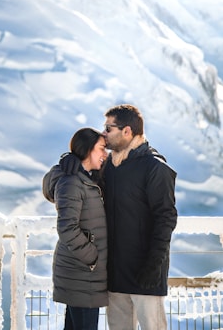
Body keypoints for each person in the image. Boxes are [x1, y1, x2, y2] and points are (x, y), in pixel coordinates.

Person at [60, 104, 177, 330]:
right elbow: (76, 186)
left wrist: (154, 263)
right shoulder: (109, 168)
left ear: (127, 131)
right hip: (114, 274)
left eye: (108, 128)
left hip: (146, 273)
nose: (103, 134)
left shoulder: (155, 168)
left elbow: (166, 217)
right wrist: (72, 159)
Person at [42, 127, 109, 330]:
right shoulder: (72, 182)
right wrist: (93, 258)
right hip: (83, 273)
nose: (105, 154)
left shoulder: (88, 179)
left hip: (84, 274)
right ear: (88, 150)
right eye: (101, 149)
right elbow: (67, 227)